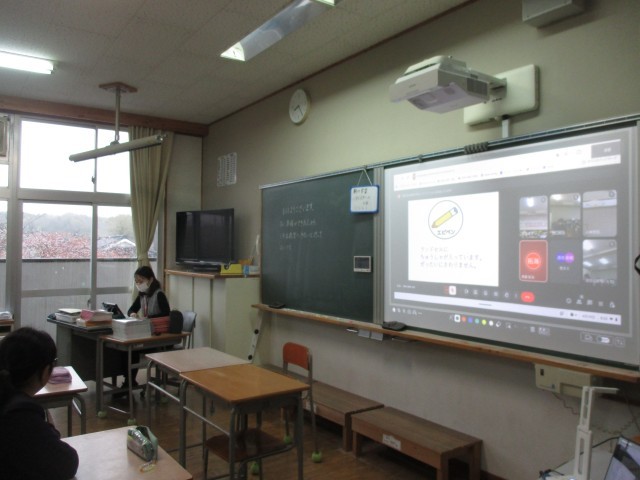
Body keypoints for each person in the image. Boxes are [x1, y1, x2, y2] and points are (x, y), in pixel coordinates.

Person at [0, 327, 79, 480]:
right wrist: (49, 429)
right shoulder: (20, 413)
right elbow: (66, 463)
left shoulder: (10, 400)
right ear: (45, 371)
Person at [119, 266, 171, 391]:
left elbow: (166, 314)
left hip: (158, 337)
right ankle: (129, 381)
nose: (138, 284)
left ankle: (129, 382)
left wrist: (147, 318)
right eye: (136, 281)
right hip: (146, 333)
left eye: (141, 281)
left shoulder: (159, 294)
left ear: (150, 279)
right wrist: (133, 314)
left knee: (133, 350)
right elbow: (131, 309)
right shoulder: (142, 295)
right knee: (126, 349)